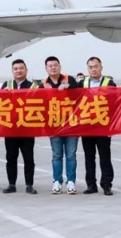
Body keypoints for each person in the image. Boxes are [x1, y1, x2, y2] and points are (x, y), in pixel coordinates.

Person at [1, 59, 38, 194]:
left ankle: (29, 185)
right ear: (12, 71)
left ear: (26, 70)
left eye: (21, 68)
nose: (18, 71)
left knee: (28, 158)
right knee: (11, 157)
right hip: (10, 128)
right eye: (15, 69)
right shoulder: (6, 85)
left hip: (27, 128)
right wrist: (3, 93)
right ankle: (11, 184)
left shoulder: (34, 87)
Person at [43, 55, 79, 195]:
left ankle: (71, 182)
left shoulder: (69, 79)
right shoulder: (43, 84)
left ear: (60, 66)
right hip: (54, 126)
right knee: (57, 155)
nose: (53, 68)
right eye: (50, 66)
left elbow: (81, 94)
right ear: (46, 68)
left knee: (71, 155)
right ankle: (57, 181)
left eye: (55, 65)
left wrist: (70, 88)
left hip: (71, 125)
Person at [81, 56, 116, 196]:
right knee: (89, 157)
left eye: (96, 66)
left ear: (101, 67)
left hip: (103, 126)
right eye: (90, 67)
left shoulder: (109, 83)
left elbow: (114, 104)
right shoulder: (82, 83)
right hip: (87, 126)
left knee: (105, 157)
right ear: (87, 69)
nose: (93, 69)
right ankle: (91, 185)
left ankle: (106, 185)